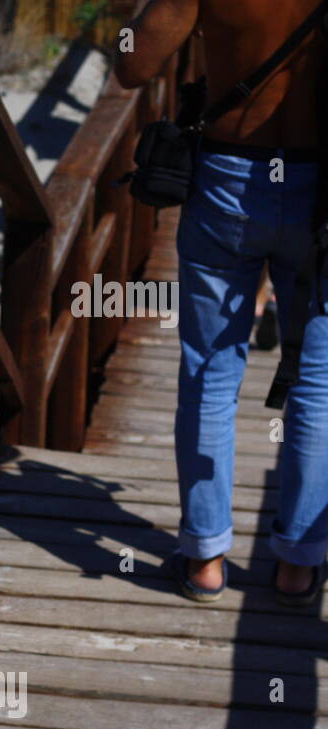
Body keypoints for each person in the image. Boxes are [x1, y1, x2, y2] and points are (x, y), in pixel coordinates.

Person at [115, 0, 328, 606]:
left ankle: (205, 558)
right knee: (317, 383)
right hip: (319, 192)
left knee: (211, 370)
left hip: (231, 179)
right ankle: (297, 566)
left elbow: (132, 66)